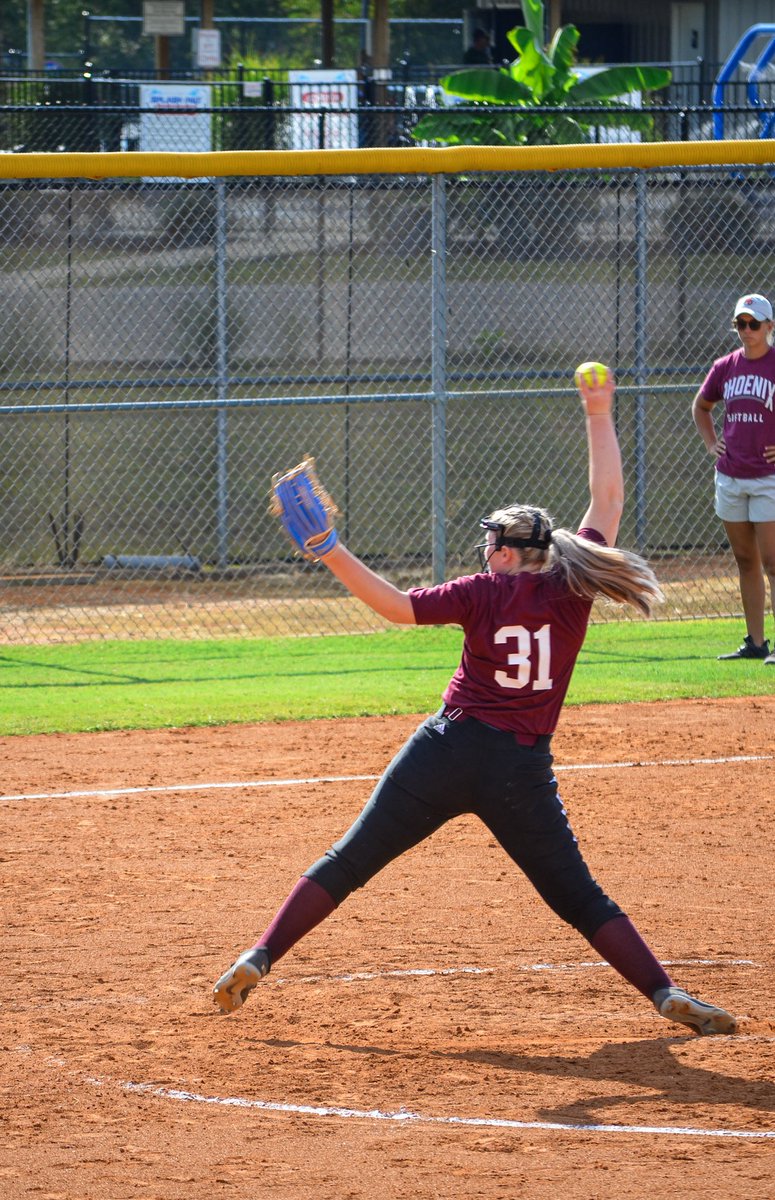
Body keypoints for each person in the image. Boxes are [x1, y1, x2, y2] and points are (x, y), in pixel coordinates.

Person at [214, 367, 738, 1037]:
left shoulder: (480, 591)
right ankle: (663, 992)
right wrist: (598, 410)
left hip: (445, 751)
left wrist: (330, 550)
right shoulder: (571, 588)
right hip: (519, 771)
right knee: (579, 897)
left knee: (349, 860)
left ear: (511, 555)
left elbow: (395, 607)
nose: (485, 550)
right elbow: (607, 496)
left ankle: (259, 956)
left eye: (492, 543)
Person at [692, 292, 775, 664]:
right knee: (745, 559)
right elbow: (702, 406)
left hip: (768, 477)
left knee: (773, 561)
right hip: (731, 476)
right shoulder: (725, 366)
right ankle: (756, 643)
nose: (747, 330)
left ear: (769, 326)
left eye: (754, 324)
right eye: (741, 323)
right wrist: (712, 443)